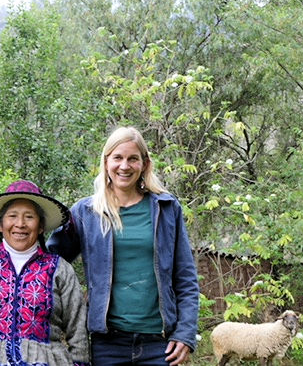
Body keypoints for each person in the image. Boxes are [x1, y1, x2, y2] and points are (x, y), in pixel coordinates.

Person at [47, 126, 199, 366]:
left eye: (133, 159)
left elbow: (186, 277)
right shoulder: (86, 212)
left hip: (159, 344)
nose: (124, 166)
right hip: (107, 344)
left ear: (144, 164)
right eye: (117, 158)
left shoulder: (167, 208)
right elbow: (47, 259)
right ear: (106, 162)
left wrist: (185, 333)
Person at [0, 180, 90, 366]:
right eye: (12, 216)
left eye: (29, 217)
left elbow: (78, 329)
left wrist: (79, 362)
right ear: (0, 224)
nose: (20, 224)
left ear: (41, 226)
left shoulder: (59, 269)